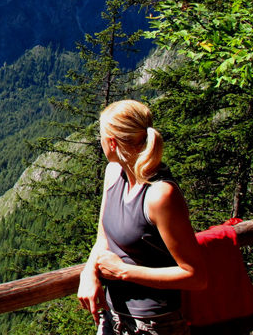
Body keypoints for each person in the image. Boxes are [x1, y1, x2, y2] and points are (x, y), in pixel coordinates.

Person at [78, 100, 207, 334]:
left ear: (112, 143)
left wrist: (124, 272)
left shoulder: (160, 195)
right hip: (112, 316)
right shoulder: (114, 173)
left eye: (101, 136)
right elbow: (103, 238)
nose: (100, 142)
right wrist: (88, 273)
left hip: (155, 324)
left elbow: (195, 276)